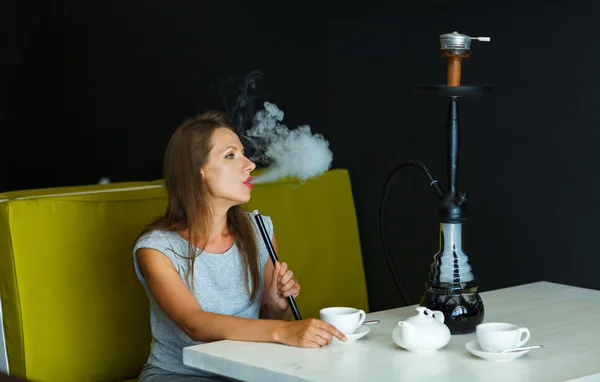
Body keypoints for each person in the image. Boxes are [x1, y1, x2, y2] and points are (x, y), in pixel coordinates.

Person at [132, 110, 347, 381]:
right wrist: (283, 332)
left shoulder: (260, 231)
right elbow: (195, 324)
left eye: (243, 153)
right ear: (198, 171)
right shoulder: (156, 249)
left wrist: (275, 306)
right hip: (179, 374)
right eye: (230, 155)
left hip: (245, 371)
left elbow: (267, 326)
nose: (250, 165)